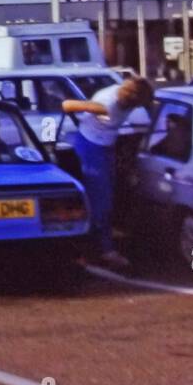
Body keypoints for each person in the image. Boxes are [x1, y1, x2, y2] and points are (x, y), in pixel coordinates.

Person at [62, 76, 154, 270]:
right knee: (100, 203)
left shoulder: (121, 95)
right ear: (131, 98)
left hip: (105, 146)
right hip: (91, 147)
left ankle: (97, 248)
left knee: (105, 199)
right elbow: (68, 105)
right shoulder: (107, 105)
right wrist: (84, 109)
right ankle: (98, 250)